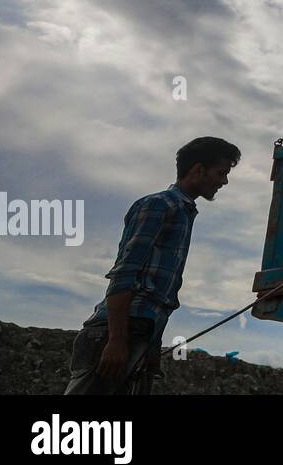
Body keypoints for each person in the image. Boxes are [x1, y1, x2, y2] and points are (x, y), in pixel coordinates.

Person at [64, 136, 240, 394]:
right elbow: (125, 273)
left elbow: (160, 294)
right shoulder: (159, 205)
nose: (224, 181)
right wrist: (116, 341)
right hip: (115, 332)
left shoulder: (184, 212)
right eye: (221, 173)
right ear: (198, 170)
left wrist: (152, 345)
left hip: (140, 335)